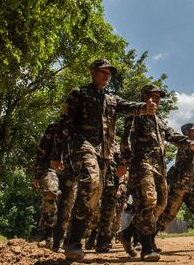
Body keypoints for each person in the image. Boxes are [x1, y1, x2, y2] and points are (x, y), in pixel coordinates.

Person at [50, 59, 157, 261]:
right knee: (91, 180)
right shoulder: (79, 93)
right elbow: (63, 123)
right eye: (103, 71)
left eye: (109, 73)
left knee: (93, 192)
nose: (107, 75)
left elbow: (129, 106)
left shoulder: (112, 98)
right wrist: (56, 154)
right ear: (92, 71)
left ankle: (72, 241)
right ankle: (73, 243)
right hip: (82, 145)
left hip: (105, 154)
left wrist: (146, 107)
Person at [118, 84, 194, 262]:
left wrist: (188, 143)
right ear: (145, 95)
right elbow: (127, 138)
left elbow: (171, 135)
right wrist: (124, 163)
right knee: (148, 201)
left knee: (161, 205)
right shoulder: (135, 113)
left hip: (159, 168)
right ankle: (147, 248)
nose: (157, 99)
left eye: (159, 97)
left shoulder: (159, 119)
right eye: (154, 96)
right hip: (142, 165)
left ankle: (127, 233)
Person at [30, 122, 61, 249]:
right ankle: (46, 235)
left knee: (67, 206)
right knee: (50, 193)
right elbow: (42, 149)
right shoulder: (55, 127)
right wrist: (38, 174)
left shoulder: (85, 129)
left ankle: (60, 240)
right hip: (51, 167)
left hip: (71, 171)